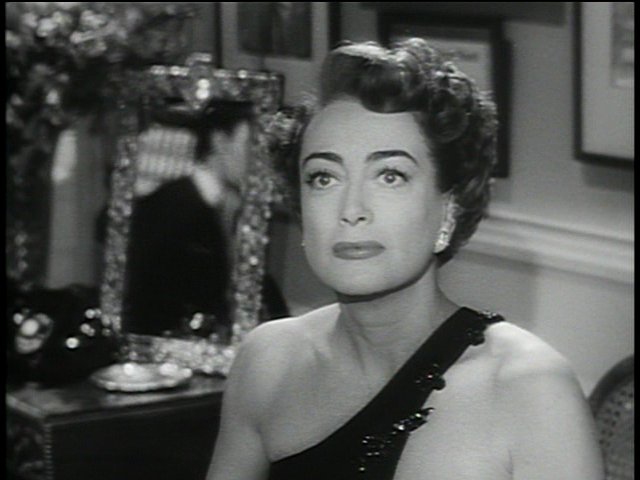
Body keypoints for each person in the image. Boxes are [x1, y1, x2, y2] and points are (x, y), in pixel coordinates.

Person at [206, 38, 604, 479]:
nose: (351, 209)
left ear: (449, 209)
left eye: (390, 176)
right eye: (324, 178)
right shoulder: (268, 360)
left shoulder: (529, 387)